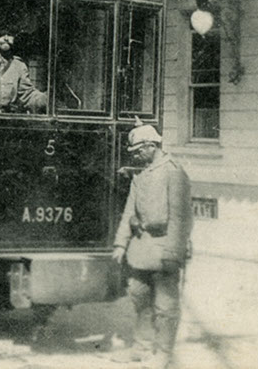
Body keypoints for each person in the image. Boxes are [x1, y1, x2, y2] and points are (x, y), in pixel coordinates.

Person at [110, 124, 192, 369]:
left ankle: (164, 353)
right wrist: (120, 245)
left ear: (151, 146)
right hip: (140, 248)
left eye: (137, 151)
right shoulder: (141, 175)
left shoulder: (174, 172)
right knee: (139, 298)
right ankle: (141, 348)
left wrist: (172, 252)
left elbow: (181, 218)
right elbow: (128, 213)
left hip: (163, 247)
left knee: (165, 307)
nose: (134, 155)